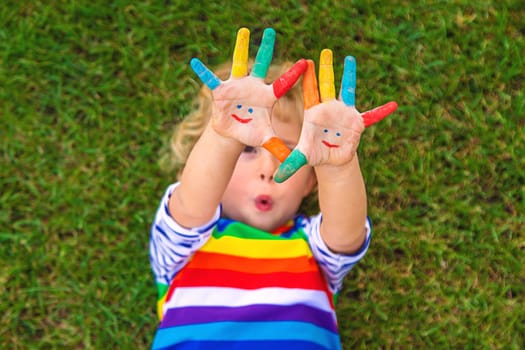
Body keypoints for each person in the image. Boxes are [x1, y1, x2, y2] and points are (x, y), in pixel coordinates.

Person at [149, 27, 396, 350]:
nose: (268, 169)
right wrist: (225, 136)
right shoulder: (182, 247)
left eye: (287, 154)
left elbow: (346, 234)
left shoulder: (311, 247)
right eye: (247, 150)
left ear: (310, 182)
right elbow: (193, 202)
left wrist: (337, 165)